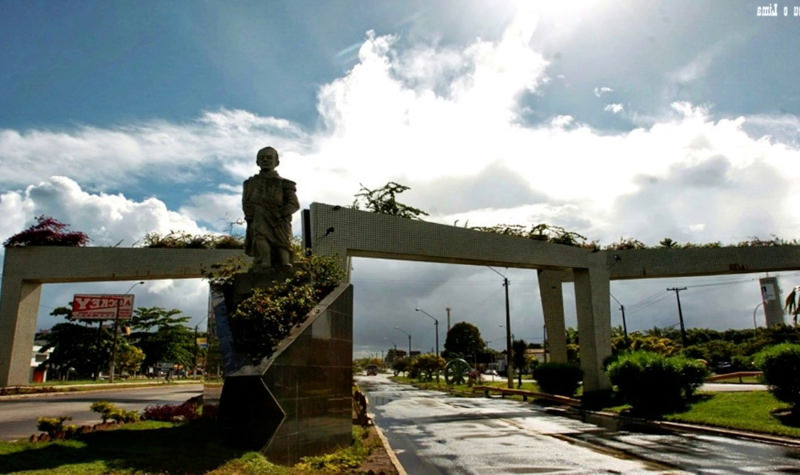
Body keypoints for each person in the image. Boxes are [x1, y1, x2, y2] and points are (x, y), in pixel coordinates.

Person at [242, 146, 299, 270]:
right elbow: (246, 202)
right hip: (258, 216)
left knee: (282, 242)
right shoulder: (250, 183)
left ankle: (285, 263)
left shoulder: (285, 183)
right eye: (262, 158)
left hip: (279, 219)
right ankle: (265, 262)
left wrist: (281, 213)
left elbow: (294, 204)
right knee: (260, 236)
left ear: (277, 162)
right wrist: (250, 214)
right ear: (257, 162)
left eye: (269, 157)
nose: (265, 160)